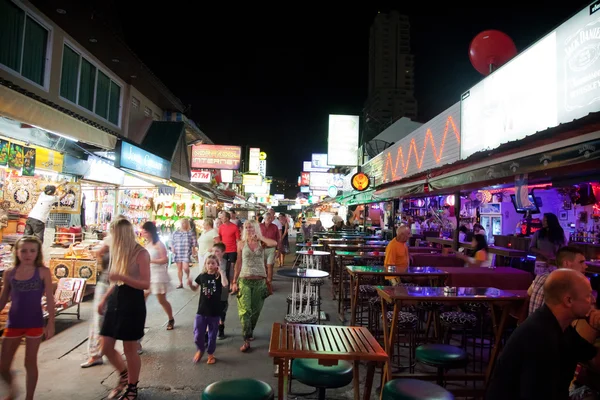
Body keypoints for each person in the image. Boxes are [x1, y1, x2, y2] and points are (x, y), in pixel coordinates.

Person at [486, 269, 599, 400]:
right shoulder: (540, 336)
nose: (593, 300)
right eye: (588, 295)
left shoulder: (560, 326)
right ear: (568, 300)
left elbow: (591, 355)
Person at [99, 219, 150, 399]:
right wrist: (104, 299)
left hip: (132, 301)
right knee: (105, 346)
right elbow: (115, 282)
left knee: (130, 348)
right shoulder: (118, 251)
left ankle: (132, 387)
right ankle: (123, 375)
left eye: (114, 234)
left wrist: (123, 276)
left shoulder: (141, 253)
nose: (112, 238)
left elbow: (145, 283)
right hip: (115, 299)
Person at [0, 237, 55, 400]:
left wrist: (51, 322)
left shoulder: (43, 272)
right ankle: (13, 389)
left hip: (35, 322)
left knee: (29, 362)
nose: (28, 254)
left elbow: (50, 300)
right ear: (16, 252)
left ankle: (29, 397)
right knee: (3, 365)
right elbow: (3, 299)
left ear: (38, 253)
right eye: (23, 250)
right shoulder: (10, 273)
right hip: (14, 322)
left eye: (32, 250)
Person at [231, 220, 277, 353]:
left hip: (260, 281)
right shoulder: (241, 243)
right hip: (244, 280)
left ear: (256, 228)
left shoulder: (262, 243)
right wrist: (234, 281)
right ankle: (246, 339)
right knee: (244, 311)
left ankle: (250, 331)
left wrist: (260, 236)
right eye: (246, 227)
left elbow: (274, 243)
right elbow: (238, 263)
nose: (249, 229)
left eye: (251, 227)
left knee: (256, 311)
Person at [188, 255, 228, 364]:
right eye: (208, 263)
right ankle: (200, 349)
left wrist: (221, 272)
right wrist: (190, 284)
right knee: (197, 334)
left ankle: (210, 353)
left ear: (217, 265)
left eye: (213, 263)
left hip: (215, 312)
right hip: (202, 310)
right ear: (205, 265)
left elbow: (225, 284)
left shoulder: (218, 277)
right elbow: (195, 288)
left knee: (212, 334)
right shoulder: (202, 276)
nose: (210, 265)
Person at [528, 246, 588, 315]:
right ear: (566, 263)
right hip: (549, 325)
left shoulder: (541, 276)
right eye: (581, 262)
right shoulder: (564, 284)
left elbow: (528, 292)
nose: (585, 266)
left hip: (532, 324)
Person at [141, 222, 174, 330]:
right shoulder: (148, 244)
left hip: (158, 275)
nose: (143, 234)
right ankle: (140, 322)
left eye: (145, 232)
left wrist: (151, 261)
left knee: (161, 300)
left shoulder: (159, 244)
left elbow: (165, 259)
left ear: (150, 232)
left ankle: (170, 318)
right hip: (148, 274)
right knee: (142, 299)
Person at [209, 243, 229, 340]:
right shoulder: (209, 262)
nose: (214, 253)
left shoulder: (226, 263)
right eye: (213, 251)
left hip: (222, 292)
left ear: (223, 253)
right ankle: (209, 332)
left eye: (217, 251)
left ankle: (221, 327)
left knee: (221, 313)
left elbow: (230, 276)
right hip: (212, 292)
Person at [171, 219, 198, 289]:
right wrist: (172, 248)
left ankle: (188, 275)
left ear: (187, 224)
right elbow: (172, 241)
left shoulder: (190, 233)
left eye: (184, 223)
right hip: (178, 251)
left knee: (185, 267)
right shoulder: (176, 232)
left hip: (186, 252)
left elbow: (194, 243)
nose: (183, 224)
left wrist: (194, 250)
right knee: (179, 268)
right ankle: (180, 283)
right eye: (182, 223)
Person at [218, 212, 241, 284]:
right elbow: (220, 238)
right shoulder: (221, 227)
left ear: (227, 218)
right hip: (224, 250)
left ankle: (232, 283)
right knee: (223, 267)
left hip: (233, 250)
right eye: (221, 217)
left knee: (231, 267)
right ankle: (225, 282)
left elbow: (238, 240)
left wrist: (239, 250)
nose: (221, 218)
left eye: (222, 217)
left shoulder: (234, 227)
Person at [260, 214, 280, 283]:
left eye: (270, 218)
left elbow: (278, 239)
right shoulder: (260, 226)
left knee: (269, 265)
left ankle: (269, 281)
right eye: (268, 218)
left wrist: (278, 250)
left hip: (271, 248)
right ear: (264, 219)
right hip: (261, 248)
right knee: (263, 266)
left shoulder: (274, 227)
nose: (269, 220)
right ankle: (264, 281)